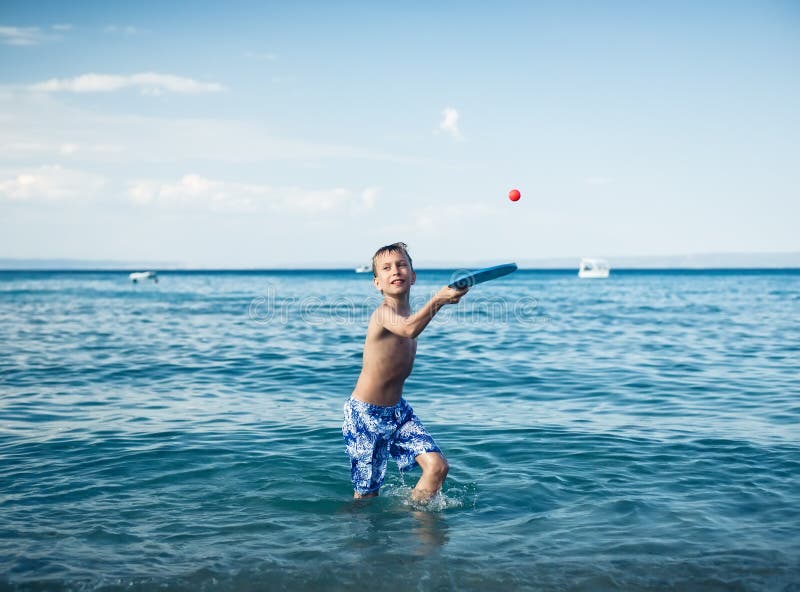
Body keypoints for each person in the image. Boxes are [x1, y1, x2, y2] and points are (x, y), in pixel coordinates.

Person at [342, 242, 468, 501]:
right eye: (386, 268)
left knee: (437, 467)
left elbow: (413, 324)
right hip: (365, 414)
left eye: (401, 265)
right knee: (366, 498)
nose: (395, 271)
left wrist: (442, 301)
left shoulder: (411, 313)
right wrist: (440, 299)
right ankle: (357, 538)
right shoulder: (383, 314)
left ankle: (413, 528)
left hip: (398, 411)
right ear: (377, 283)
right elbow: (409, 329)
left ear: (413, 276)